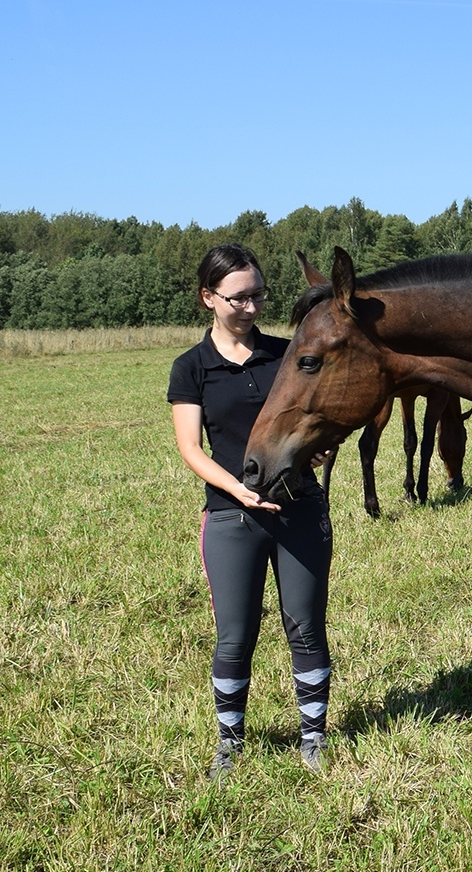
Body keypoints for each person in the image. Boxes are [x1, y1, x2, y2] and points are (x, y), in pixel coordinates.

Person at [167, 243, 335, 779]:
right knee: (235, 636)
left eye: (259, 295)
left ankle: (313, 739)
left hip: (299, 512)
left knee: (305, 627)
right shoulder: (191, 368)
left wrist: (321, 448)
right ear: (208, 298)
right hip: (230, 518)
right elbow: (192, 449)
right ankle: (230, 744)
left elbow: (312, 424)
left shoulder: (289, 356)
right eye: (239, 298)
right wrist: (238, 492)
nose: (252, 308)